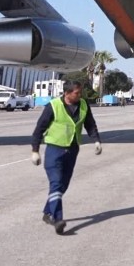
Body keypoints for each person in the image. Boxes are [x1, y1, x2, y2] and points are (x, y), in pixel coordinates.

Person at [30, 80, 101, 234]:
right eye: (77, 93)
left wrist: (96, 140)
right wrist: (35, 150)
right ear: (67, 93)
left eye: (80, 92)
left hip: (72, 150)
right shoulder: (53, 106)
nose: (80, 95)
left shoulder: (83, 105)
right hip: (54, 150)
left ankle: (48, 212)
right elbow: (39, 128)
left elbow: (90, 124)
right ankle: (57, 219)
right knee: (56, 182)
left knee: (63, 185)